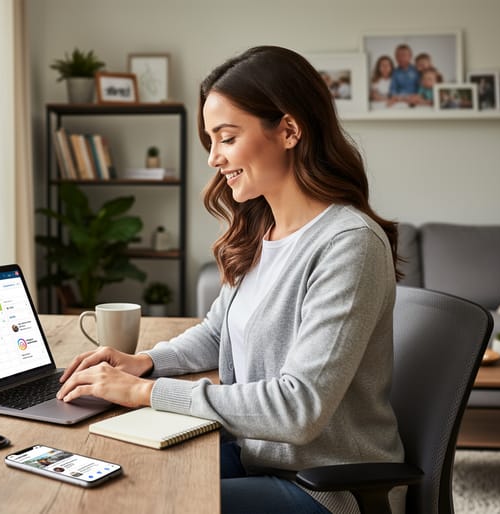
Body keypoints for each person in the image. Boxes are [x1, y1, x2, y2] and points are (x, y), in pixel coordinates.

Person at [57, 45, 405, 514]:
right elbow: (217, 332)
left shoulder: (348, 243)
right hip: (255, 454)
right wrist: (144, 363)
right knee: (112, 474)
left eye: (226, 137)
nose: (213, 159)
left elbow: (299, 408)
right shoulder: (262, 230)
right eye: (211, 140)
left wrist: (146, 393)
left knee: (149, 505)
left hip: (324, 486)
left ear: (288, 130)